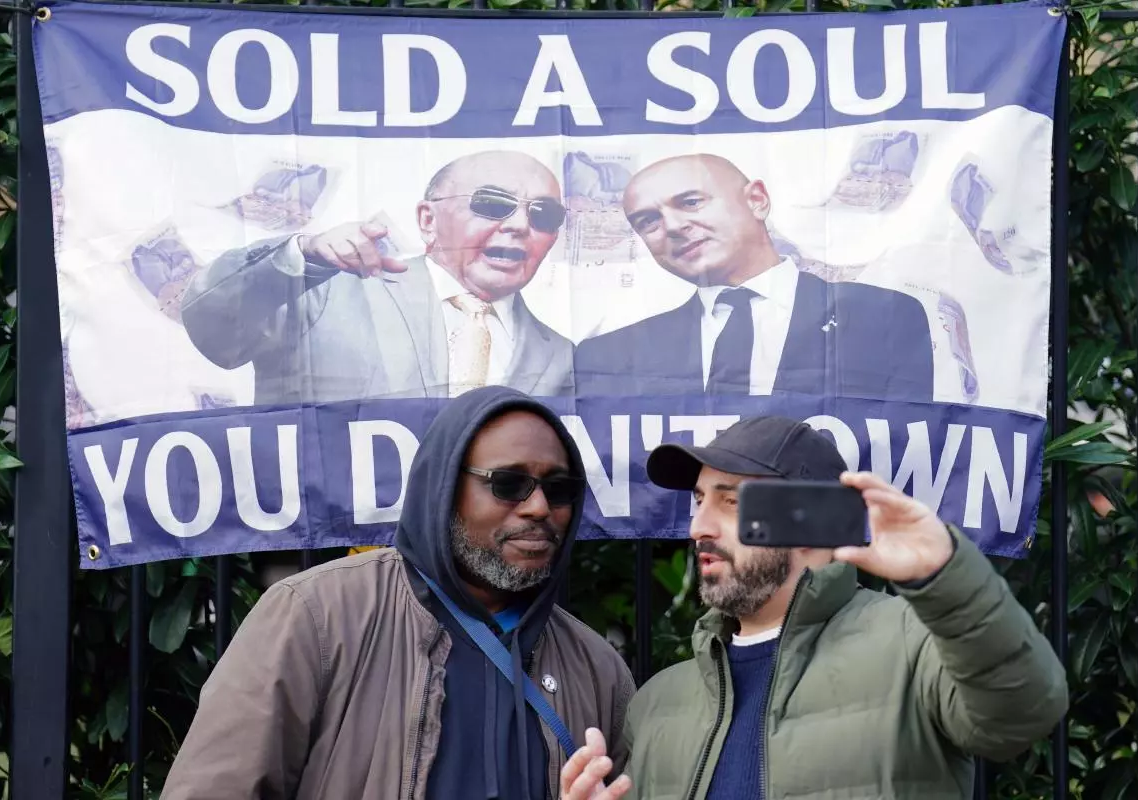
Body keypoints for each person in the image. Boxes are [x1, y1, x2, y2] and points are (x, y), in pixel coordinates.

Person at [161, 386, 635, 800]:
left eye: (559, 488)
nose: (538, 507)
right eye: (508, 484)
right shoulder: (316, 618)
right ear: (445, 487)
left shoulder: (596, 669)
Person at [559, 415, 1068, 800]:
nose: (699, 528)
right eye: (698, 501)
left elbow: (1024, 712)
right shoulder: (656, 703)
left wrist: (946, 575)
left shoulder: (916, 643)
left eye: (732, 502)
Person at [181, 150, 575, 405]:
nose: (521, 225)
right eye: (494, 204)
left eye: (543, 215)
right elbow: (213, 328)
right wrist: (299, 256)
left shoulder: (560, 355)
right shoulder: (321, 288)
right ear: (427, 219)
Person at [573, 154, 934, 402]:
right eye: (648, 221)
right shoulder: (608, 358)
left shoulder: (883, 319)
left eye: (691, 202)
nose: (673, 226)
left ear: (757, 200)